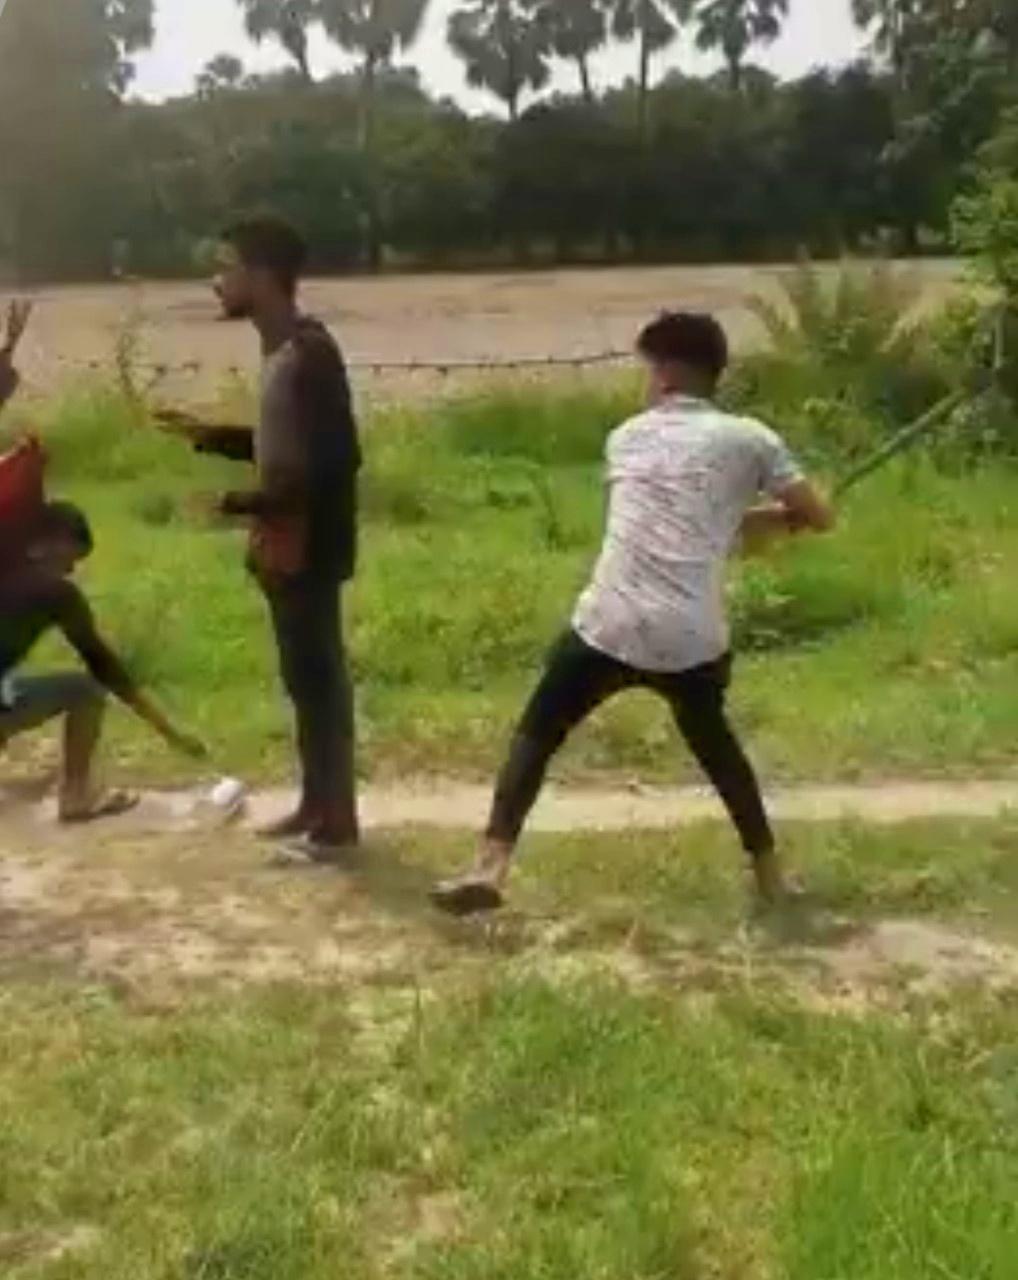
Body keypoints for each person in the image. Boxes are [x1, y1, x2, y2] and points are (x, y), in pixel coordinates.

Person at [432, 311, 835, 916]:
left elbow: (665, 521)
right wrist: (791, 517)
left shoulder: (624, 437)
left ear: (666, 374)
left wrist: (751, 520)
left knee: (537, 733)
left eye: (648, 370)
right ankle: (771, 876)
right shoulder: (752, 439)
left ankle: (490, 866)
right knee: (718, 752)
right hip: (691, 637)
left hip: (609, 622)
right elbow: (808, 517)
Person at [158, 216, 362, 860]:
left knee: (320, 685)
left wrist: (238, 502)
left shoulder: (309, 353)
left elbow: (333, 461)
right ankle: (315, 805)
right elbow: (284, 446)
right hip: (282, 547)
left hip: (309, 548)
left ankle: (337, 825)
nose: (216, 281)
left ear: (264, 277)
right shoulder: (280, 352)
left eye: (227, 268)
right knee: (304, 684)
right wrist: (211, 437)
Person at [0, 502, 205, 821]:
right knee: (85, 690)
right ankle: (76, 795)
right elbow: (105, 667)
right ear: (55, 543)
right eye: (71, 558)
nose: (71, 570)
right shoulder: (57, 593)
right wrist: (170, 732)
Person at [0, 299, 32, 413]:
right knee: (12, 338)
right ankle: (21, 308)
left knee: (12, 338)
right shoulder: (5, 393)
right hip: (4, 363)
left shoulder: (5, 393)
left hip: (4, 363)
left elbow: (15, 376)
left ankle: (22, 307)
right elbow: (15, 375)